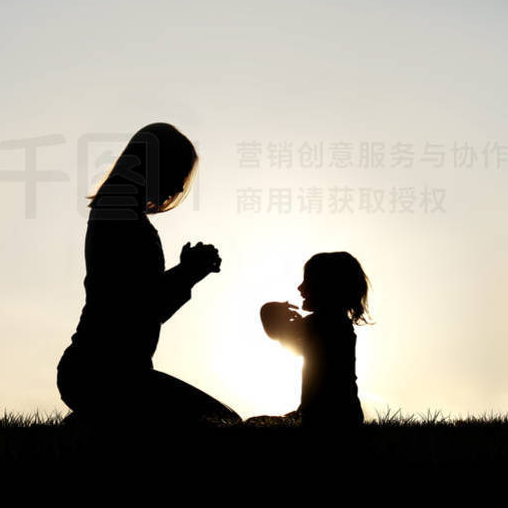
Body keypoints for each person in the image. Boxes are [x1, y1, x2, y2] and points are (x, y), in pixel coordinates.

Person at [56, 122, 240, 427]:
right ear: (155, 165)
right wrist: (188, 272)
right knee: (222, 422)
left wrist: (187, 273)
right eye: (178, 174)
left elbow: (143, 307)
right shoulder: (118, 213)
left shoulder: (118, 212)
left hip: (107, 372)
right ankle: (91, 422)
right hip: (107, 373)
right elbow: (137, 304)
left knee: (220, 420)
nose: (180, 188)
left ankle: (93, 422)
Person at [255, 252, 371, 428]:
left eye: (307, 281)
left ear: (327, 287)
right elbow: (293, 346)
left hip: (326, 418)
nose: (300, 288)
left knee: (257, 424)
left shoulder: (321, 323)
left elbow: (276, 333)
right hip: (345, 414)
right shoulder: (339, 325)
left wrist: (270, 310)